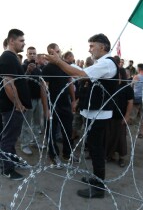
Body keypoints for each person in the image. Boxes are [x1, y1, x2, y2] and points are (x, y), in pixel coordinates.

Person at [46, 33, 119, 199]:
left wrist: (59, 61)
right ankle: (96, 178)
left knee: (96, 148)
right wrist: (62, 62)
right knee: (94, 147)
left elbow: (80, 74)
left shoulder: (106, 64)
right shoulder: (101, 63)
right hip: (94, 112)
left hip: (99, 114)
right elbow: (81, 71)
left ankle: (99, 187)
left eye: (92, 45)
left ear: (103, 47)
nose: (89, 49)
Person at [0, 29, 32, 180]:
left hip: (13, 106)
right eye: (21, 41)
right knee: (8, 138)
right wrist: (18, 104)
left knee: (12, 137)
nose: (24, 43)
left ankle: (12, 161)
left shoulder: (12, 58)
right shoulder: (8, 58)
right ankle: (7, 169)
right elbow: (8, 84)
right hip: (11, 107)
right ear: (11, 41)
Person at [42, 43, 77, 167]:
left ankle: (67, 154)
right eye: (53, 53)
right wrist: (46, 109)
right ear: (49, 54)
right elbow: (44, 90)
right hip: (53, 104)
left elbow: (70, 83)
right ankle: (53, 156)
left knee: (68, 130)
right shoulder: (47, 69)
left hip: (65, 104)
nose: (56, 54)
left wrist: (73, 100)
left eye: (58, 51)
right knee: (51, 132)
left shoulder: (65, 66)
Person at [19, 46, 45, 154]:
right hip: (28, 100)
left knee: (37, 123)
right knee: (26, 123)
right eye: (30, 53)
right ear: (27, 55)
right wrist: (28, 72)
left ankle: (35, 142)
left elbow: (41, 81)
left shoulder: (38, 67)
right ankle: (24, 144)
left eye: (34, 53)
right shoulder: (23, 66)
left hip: (38, 98)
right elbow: (20, 82)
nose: (32, 55)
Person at [106, 67, 134, 167]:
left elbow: (130, 103)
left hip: (121, 117)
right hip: (111, 116)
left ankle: (121, 158)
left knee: (121, 138)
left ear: (121, 75)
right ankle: (111, 155)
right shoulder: (113, 86)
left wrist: (126, 116)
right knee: (111, 136)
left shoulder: (127, 88)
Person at [131, 63, 143, 138]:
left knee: (132, 114)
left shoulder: (136, 76)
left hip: (136, 98)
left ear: (139, 69)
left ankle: (125, 130)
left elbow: (131, 86)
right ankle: (141, 132)